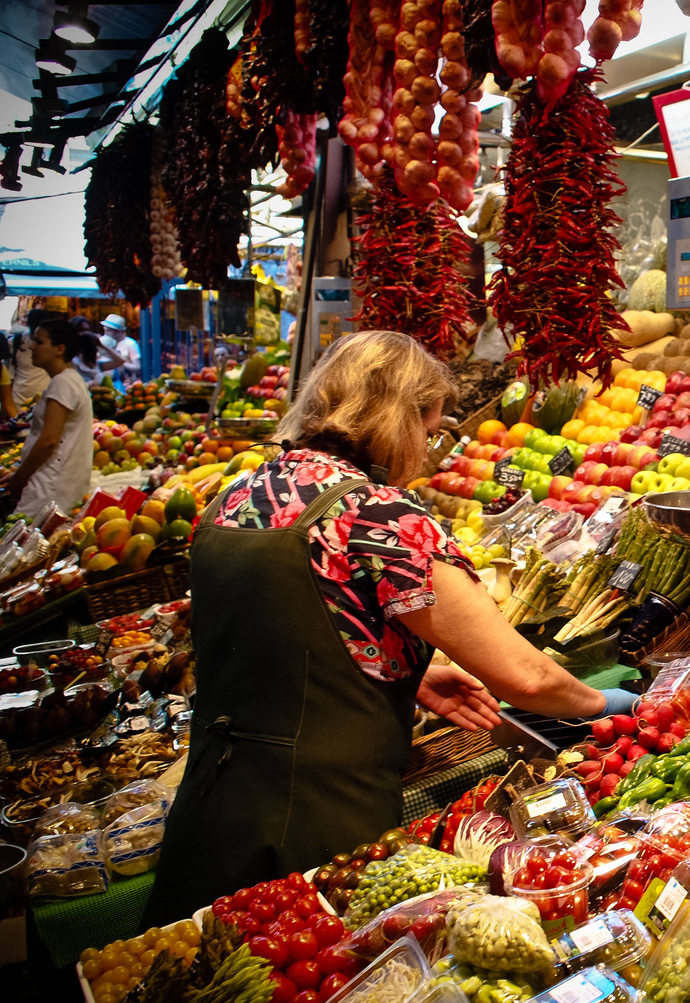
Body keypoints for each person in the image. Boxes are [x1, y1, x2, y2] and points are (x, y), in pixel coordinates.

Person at [147, 331, 636, 922]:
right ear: (398, 418)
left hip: (211, 803)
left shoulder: (240, 494)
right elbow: (526, 678)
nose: (428, 449)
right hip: (313, 821)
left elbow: (283, 629)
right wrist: (599, 701)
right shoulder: (380, 516)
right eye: (429, 429)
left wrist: (405, 670)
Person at [0, 319, 94, 516]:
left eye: (39, 342)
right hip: (55, 483)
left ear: (59, 349)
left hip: (50, 488)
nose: (32, 347)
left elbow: (48, 441)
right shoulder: (70, 379)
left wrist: (20, 478)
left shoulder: (62, 383)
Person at [11, 308, 53, 404]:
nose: (32, 347)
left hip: (44, 400)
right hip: (18, 401)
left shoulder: (52, 344)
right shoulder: (16, 342)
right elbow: (10, 375)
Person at [99, 313, 141, 384]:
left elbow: (137, 366)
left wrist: (119, 362)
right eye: (104, 330)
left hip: (125, 384)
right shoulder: (103, 341)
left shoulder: (130, 344)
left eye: (109, 330)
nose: (105, 333)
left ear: (119, 331)